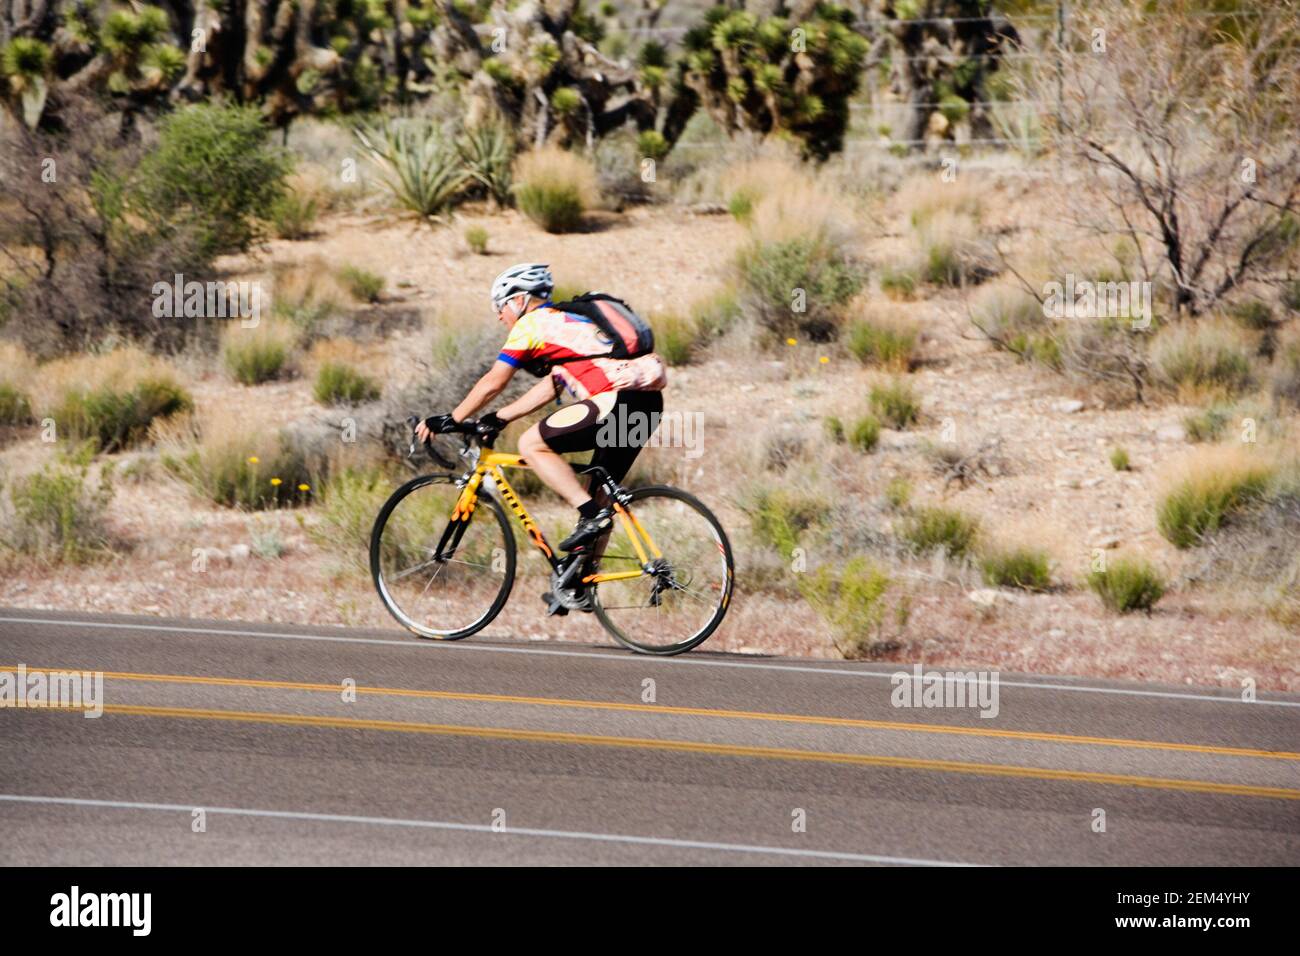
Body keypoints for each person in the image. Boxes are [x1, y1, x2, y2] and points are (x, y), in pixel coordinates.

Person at [416, 262, 667, 556]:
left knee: (532, 445)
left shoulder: (532, 324)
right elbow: (553, 384)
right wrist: (499, 417)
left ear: (519, 300)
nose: (499, 316)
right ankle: (582, 584)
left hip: (614, 401)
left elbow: (494, 382)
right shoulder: (569, 322)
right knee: (600, 494)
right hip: (647, 405)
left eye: (501, 306)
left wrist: (451, 419)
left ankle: (591, 516)